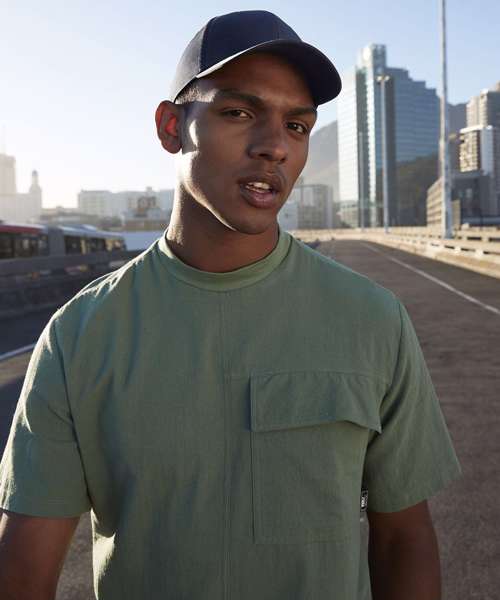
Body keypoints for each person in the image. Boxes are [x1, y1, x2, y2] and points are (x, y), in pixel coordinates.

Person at [0, 10, 461, 600]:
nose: (275, 146)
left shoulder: (374, 319)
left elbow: (404, 539)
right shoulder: (80, 335)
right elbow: (23, 573)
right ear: (172, 127)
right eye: (238, 113)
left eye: (297, 126)